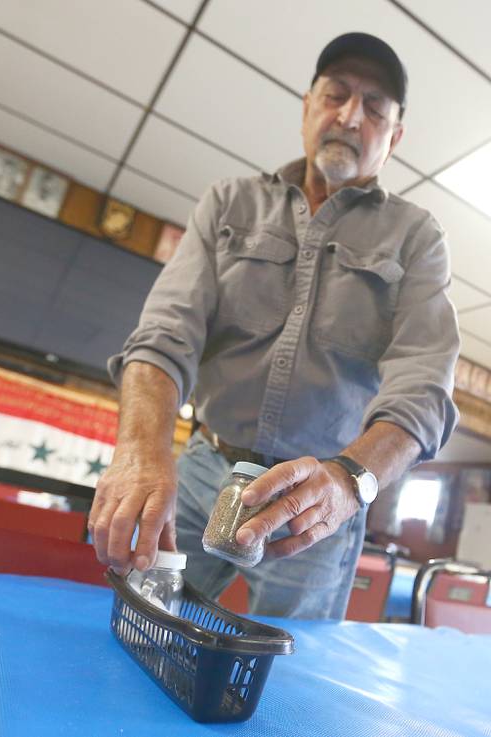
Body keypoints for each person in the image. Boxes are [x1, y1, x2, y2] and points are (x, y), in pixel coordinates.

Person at [88, 32, 460, 620]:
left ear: (395, 136)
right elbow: (164, 336)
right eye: (336, 95)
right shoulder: (227, 203)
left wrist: (351, 483)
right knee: (143, 623)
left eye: (374, 108)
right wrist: (140, 448)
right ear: (308, 105)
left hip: (318, 495)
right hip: (203, 468)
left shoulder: (417, 237)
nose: (349, 116)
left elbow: (423, 390)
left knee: (292, 672)